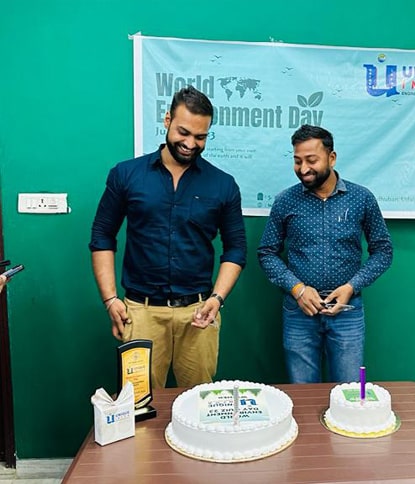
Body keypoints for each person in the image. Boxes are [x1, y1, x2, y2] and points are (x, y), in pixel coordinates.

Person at [89, 86, 247, 389]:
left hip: (199, 312)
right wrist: (110, 299)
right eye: (183, 132)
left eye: (200, 137)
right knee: (140, 403)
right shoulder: (126, 174)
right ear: (167, 120)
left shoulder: (223, 185)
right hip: (140, 312)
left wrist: (217, 299)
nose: (190, 144)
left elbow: (236, 249)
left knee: (198, 401)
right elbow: (102, 236)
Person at [257, 124, 393, 383]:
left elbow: (383, 251)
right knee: (303, 393)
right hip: (299, 312)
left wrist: (352, 287)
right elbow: (267, 253)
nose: (303, 169)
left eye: (311, 160)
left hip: (347, 311)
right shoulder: (285, 201)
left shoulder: (361, 198)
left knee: (349, 392)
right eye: (297, 161)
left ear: (332, 158)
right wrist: (297, 289)